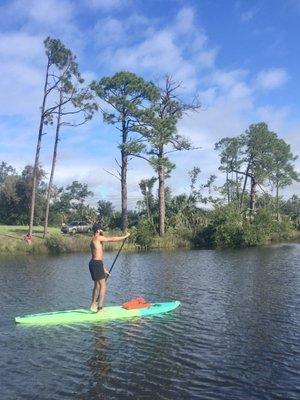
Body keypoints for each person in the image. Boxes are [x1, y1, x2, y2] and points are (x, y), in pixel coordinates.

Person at [89, 223, 130, 313]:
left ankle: (93, 305)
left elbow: (96, 255)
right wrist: (124, 237)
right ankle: (100, 308)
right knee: (103, 286)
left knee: (96, 285)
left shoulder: (93, 240)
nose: (102, 230)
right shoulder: (98, 238)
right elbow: (111, 239)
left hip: (93, 263)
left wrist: (103, 268)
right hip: (96, 263)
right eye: (101, 229)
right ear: (98, 230)